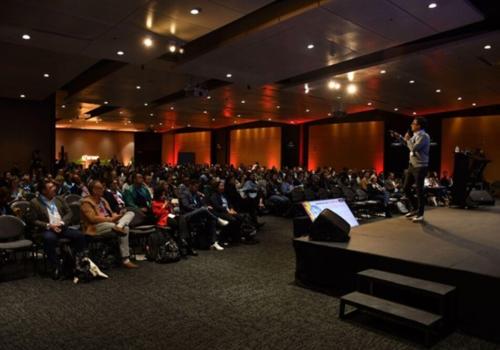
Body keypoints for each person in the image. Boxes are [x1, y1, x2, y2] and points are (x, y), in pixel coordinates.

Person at [29, 180, 87, 278]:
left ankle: (78, 263)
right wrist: (49, 225)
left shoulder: (59, 199)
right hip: (46, 229)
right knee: (50, 239)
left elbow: (69, 213)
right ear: (43, 191)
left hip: (62, 227)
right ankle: (56, 266)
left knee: (79, 235)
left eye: (53, 187)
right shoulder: (35, 202)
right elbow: (33, 220)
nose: (54, 189)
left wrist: (62, 222)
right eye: (51, 188)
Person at [80, 180, 138, 269]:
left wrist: (118, 215)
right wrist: (110, 219)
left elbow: (110, 213)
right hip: (95, 226)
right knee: (125, 228)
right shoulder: (86, 202)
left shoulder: (103, 200)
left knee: (130, 213)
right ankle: (126, 260)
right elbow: (93, 219)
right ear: (94, 190)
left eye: (102, 188)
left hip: (110, 222)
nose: (103, 189)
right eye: (100, 188)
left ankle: (119, 226)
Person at [398, 117, 431, 222]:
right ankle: (415, 208)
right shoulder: (415, 136)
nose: (411, 125)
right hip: (412, 165)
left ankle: (420, 214)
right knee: (406, 188)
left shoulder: (424, 136)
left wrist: (407, 140)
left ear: (419, 126)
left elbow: (413, 148)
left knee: (419, 190)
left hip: (421, 166)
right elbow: (408, 145)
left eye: (414, 123)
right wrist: (400, 138)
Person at [180, 179, 227, 251]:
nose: (197, 189)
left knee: (211, 219)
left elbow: (202, 204)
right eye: (195, 187)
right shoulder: (185, 193)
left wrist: (204, 203)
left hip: (197, 214)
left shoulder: (196, 194)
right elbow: (186, 206)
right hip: (187, 215)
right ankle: (218, 219)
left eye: (197, 187)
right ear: (190, 186)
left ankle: (214, 242)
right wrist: (198, 208)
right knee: (203, 209)